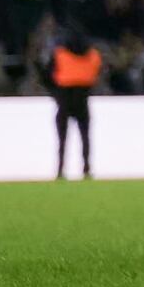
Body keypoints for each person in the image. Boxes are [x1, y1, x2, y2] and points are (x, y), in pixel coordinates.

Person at [45, 23, 100, 180]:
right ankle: (86, 168)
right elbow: (95, 75)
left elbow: (50, 74)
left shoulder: (60, 54)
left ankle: (60, 170)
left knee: (62, 140)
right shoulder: (93, 55)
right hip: (82, 100)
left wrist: (55, 91)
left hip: (64, 100)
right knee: (85, 137)